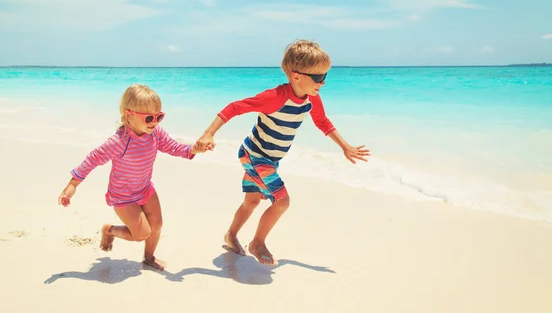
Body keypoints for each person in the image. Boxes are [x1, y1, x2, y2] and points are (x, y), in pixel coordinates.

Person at [195, 39, 371, 265]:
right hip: (255, 155)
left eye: (325, 76)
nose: (323, 83)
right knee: (282, 201)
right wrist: (208, 134)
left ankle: (230, 236)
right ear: (296, 76)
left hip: (270, 159)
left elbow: (322, 122)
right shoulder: (275, 98)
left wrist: (345, 146)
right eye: (318, 77)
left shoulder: (312, 99)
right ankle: (257, 243)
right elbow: (234, 107)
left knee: (251, 202)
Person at [58, 84, 207, 271]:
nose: (155, 122)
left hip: (145, 189)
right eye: (149, 118)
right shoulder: (119, 142)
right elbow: (93, 159)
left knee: (157, 224)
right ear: (129, 115)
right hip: (123, 196)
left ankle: (149, 257)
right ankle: (109, 230)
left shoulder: (156, 134)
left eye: (159, 116)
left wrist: (193, 149)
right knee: (141, 234)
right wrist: (73, 184)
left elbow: (173, 147)